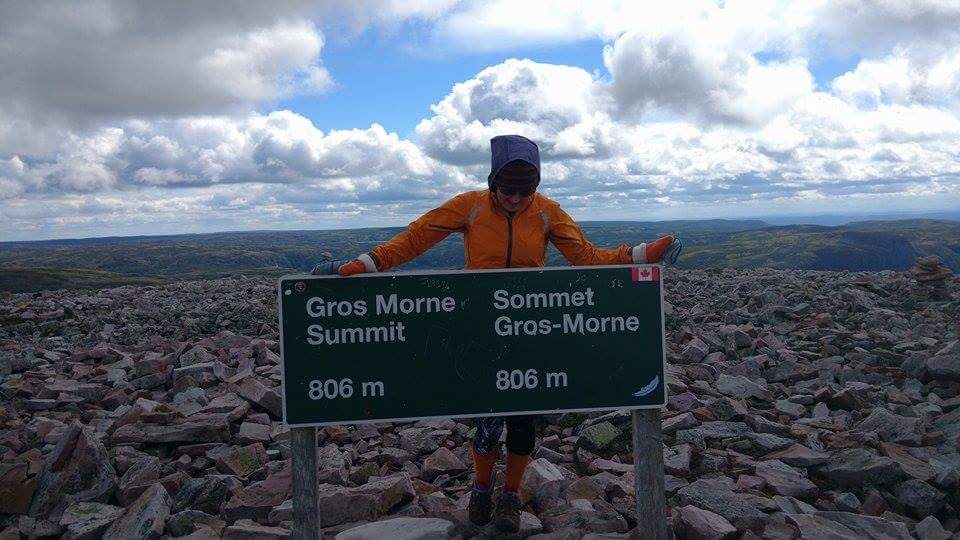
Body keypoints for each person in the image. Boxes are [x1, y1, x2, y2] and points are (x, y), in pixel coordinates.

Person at [337, 134, 681, 532]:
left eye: (525, 191)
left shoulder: (548, 212)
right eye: (507, 190)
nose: (515, 199)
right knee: (486, 418)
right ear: (492, 182)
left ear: (535, 186)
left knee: (522, 419)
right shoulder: (469, 206)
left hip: (527, 330)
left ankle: (511, 496)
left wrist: (641, 254)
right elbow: (417, 237)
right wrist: (370, 263)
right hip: (481, 326)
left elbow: (586, 257)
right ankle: (481, 487)